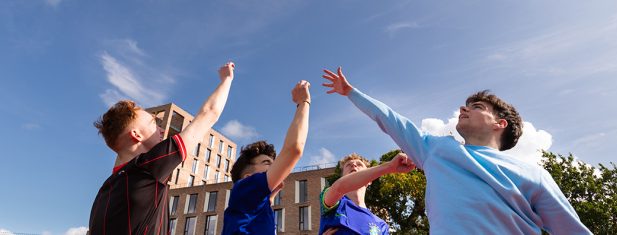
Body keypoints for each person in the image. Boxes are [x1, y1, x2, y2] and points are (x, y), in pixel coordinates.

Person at [321, 67, 592, 234]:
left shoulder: (533, 175)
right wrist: (351, 92)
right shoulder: (436, 150)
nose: (464, 108)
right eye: (466, 104)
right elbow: (393, 121)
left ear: (500, 123)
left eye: (477, 107)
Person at [88, 62, 236, 234]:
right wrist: (226, 79)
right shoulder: (146, 169)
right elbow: (209, 113)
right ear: (136, 135)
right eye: (153, 123)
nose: (161, 129)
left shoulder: (104, 192)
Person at [221, 80, 311, 235]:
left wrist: (270, 197)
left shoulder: (253, 204)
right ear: (248, 177)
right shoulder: (244, 188)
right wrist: (303, 102)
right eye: (266, 162)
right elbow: (294, 149)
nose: (274, 166)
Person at [319, 152, 415, 235]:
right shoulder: (333, 203)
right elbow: (339, 188)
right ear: (342, 177)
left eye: (359, 164)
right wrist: (390, 166)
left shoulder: (381, 225)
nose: (354, 165)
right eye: (348, 165)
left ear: (370, 180)